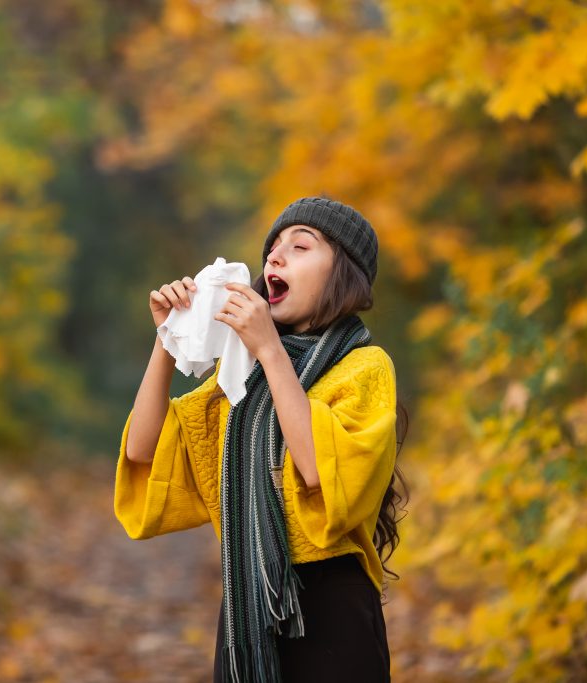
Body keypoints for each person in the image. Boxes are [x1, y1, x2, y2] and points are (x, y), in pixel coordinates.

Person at [113, 196, 410, 682]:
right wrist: (167, 339)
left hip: (333, 614)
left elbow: (319, 471)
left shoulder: (365, 367)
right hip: (244, 610)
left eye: (300, 246)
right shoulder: (238, 374)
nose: (275, 256)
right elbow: (142, 452)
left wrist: (269, 350)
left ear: (344, 275)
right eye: (272, 248)